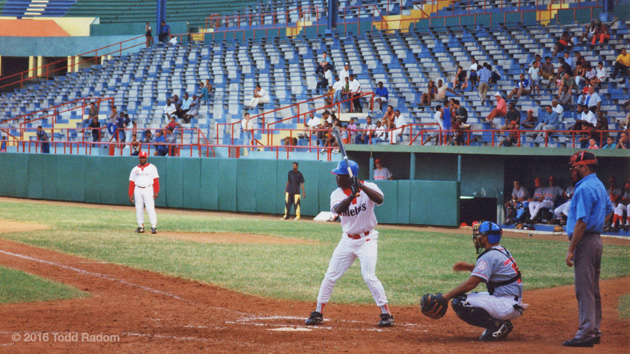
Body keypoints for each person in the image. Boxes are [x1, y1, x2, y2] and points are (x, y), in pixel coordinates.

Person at [304, 160, 393, 327]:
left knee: (368, 276)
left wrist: (361, 187)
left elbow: (380, 199)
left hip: (367, 239)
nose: (336, 177)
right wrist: (352, 195)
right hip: (347, 240)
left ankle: (386, 313)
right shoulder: (336, 194)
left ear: (349, 177)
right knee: (330, 275)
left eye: (340, 175)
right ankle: (318, 311)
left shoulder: (369, 187)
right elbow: (338, 209)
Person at [419, 221, 523, 342]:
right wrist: (469, 267)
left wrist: (446, 297)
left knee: (460, 302)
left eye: (478, 235)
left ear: (485, 237)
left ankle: (497, 326)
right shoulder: (500, 250)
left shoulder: (489, 256)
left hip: (505, 304)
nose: (476, 238)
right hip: (510, 300)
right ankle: (501, 322)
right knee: (466, 298)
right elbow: (490, 272)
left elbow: (471, 283)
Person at [563, 151, 613, 347]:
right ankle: (594, 330)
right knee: (593, 289)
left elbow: (581, 223)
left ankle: (585, 334)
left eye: (575, 167)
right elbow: (609, 210)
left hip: (585, 241)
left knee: (584, 290)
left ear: (584, 166)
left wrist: (571, 249)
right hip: (596, 241)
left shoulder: (584, 188)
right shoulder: (598, 184)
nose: (572, 170)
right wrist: (598, 223)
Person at [128, 151, 160, 234]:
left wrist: (156, 191)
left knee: (150, 208)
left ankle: (153, 226)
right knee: (139, 208)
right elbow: (131, 182)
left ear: (146, 158)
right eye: (141, 157)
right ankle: (141, 226)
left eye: (143, 157)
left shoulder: (152, 167)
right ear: (139, 158)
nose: (142, 159)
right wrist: (130, 194)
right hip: (137, 189)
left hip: (148, 188)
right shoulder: (135, 169)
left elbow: (156, 180)